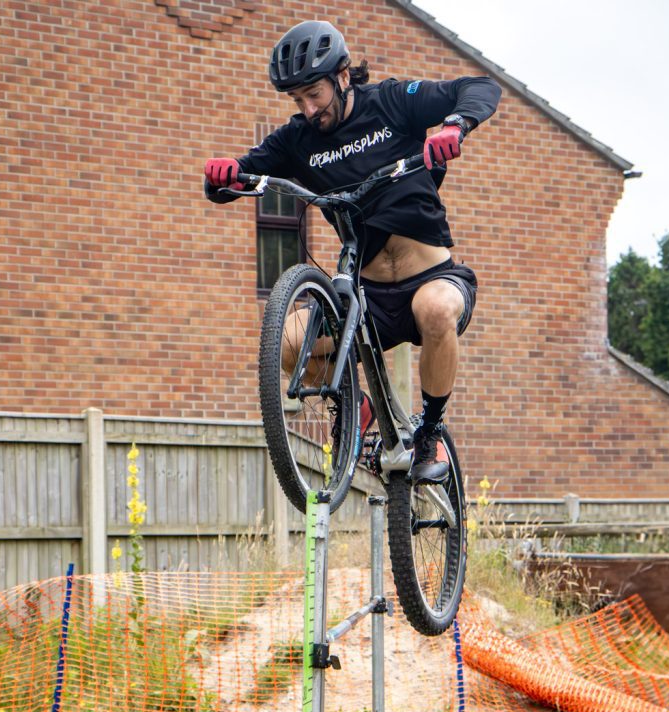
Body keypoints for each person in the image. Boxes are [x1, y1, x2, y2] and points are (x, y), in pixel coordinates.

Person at [205, 20, 501, 483]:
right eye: (297, 100)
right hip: (367, 301)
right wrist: (223, 176)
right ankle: (355, 405)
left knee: (435, 308)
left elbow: (479, 87)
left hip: (433, 279)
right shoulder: (297, 139)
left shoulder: (392, 103)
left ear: (342, 76)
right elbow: (236, 178)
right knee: (287, 340)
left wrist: (455, 125)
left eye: (314, 94)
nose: (308, 109)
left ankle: (430, 431)